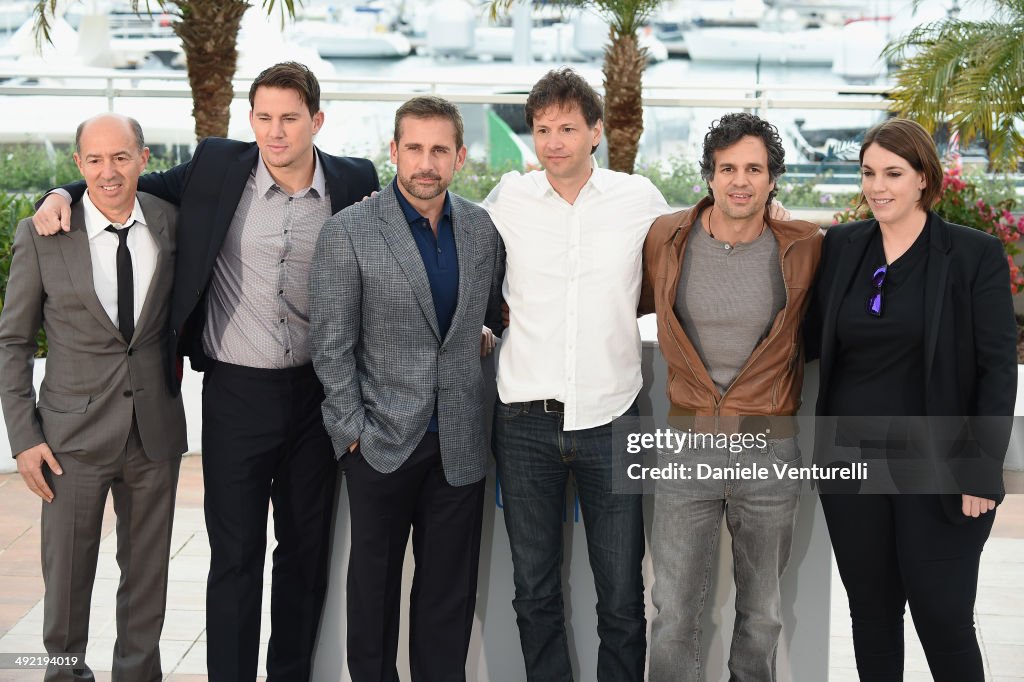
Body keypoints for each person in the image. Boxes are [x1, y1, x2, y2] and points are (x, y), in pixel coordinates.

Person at [31, 62, 379, 681]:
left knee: (304, 556)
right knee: (236, 558)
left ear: (316, 121)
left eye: (290, 118)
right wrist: (60, 193)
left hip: (316, 397)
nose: (275, 131)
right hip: (235, 394)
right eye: (264, 117)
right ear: (251, 120)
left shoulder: (355, 181)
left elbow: (399, 244)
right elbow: (123, 179)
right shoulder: (219, 165)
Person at [807, 118, 1017, 681]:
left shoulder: (972, 255)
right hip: (852, 463)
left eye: (893, 173)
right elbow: (805, 335)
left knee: (942, 615)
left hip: (940, 467)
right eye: (869, 172)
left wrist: (981, 469)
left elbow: (997, 367)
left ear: (924, 178)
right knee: (871, 616)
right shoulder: (842, 247)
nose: (878, 186)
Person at [481, 67, 670, 681]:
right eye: (542, 129)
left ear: (596, 132)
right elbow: (453, 245)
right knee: (533, 592)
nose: (554, 141)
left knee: (620, 597)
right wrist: (483, 323)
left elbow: (691, 247)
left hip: (613, 417)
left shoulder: (636, 197)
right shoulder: (509, 197)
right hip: (523, 421)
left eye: (567, 127)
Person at [309, 95, 504, 681]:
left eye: (439, 150)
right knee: (372, 596)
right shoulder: (350, 231)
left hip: (460, 444)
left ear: (460, 157)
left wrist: (486, 329)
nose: (426, 162)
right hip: (380, 443)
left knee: (448, 598)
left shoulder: (480, 227)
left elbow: (493, 310)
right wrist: (352, 435)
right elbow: (330, 342)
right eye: (414, 148)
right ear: (393, 152)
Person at [0, 114, 187, 681]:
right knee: (67, 582)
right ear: (78, 165)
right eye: (96, 160)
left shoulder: (172, 223)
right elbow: (12, 340)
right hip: (69, 440)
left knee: (148, 577)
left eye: (122, 157)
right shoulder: (43, 234)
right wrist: (24, 438)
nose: (110, 172)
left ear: (144, 159)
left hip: (153, 433)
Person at [639, 113, 822, 681]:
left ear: (773, 180)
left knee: (762, 616)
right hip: (683, 447)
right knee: (672, 615)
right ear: (709, 176)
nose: (740, 180)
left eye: (754, 169)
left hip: (768, 450)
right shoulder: (665, 238)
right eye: (727, 168)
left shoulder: (806, 246)